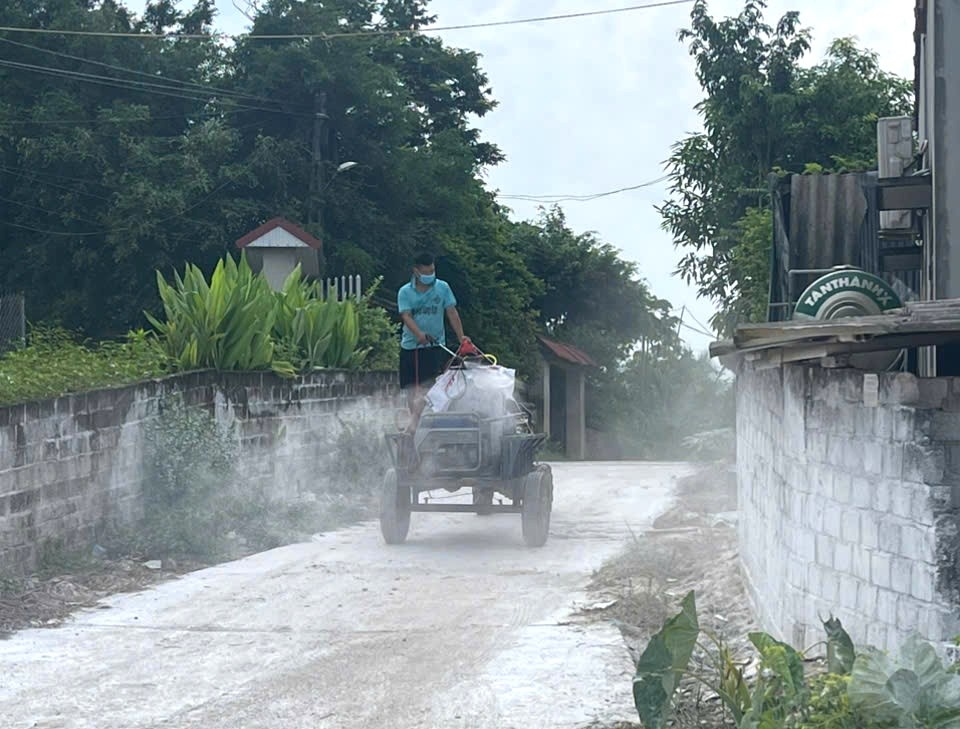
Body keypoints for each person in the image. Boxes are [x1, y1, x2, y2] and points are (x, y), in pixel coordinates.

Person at [397, 252, 469, 426]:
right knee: (411, 389)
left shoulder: (442, 288)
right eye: (426, 272)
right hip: (411, 347)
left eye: (432, 271)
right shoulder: (405, 292)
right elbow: (406, 316)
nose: (430, 275)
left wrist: (462, 337)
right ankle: (414, 422)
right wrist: (419, 334)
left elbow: (451, 312)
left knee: (427, 387)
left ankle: (418, 424)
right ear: (416, 271)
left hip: (435, 346)